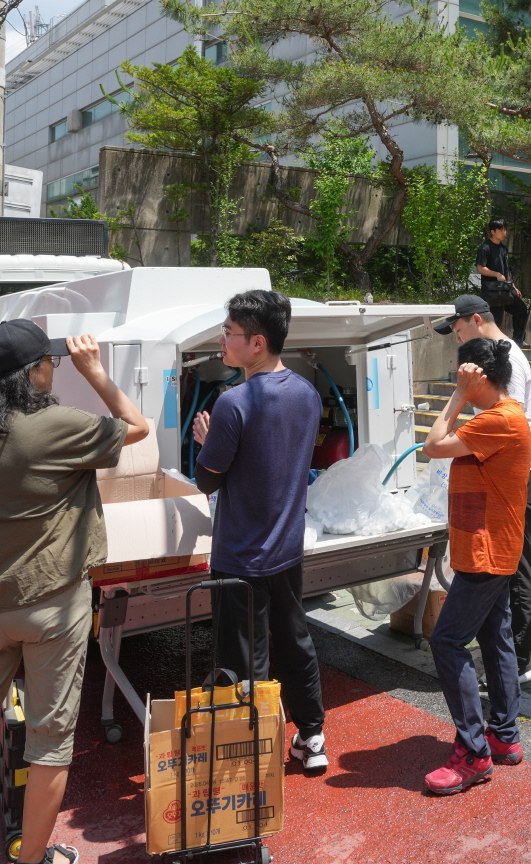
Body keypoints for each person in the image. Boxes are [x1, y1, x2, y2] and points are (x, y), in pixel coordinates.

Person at [0, 323, 150, 864]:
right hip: (52, 606)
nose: (54, 370)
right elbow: (137, 428)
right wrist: (95, 372)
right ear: (34, 372)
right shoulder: (54, 425)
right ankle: (32, 860)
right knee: (50, 741)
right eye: (51, 363)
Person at [192, 289, 330, 774]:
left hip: (239, 555)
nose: (222, 341)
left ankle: (249, 755)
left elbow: (207, 478)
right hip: (287, 548)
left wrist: (207, 442)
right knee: (295, 642)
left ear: (256, 343)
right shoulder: (307, 393)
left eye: (229, 334)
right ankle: (312, 737)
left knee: (244, 657)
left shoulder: (234, 403)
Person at [420, 337, 531, 795]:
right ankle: (503, 736)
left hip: (488, 553)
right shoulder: (494, 418)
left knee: (447, 641)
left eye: (462, 371)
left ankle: (473, 751)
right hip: (486, 547)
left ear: (479, 376)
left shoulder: (500, 419)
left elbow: (432, 445)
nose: (456, 375)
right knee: (495, 636)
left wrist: (457, 396)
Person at [435, 294, 531, 682]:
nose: (456, 337)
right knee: (506, 571)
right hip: (503, 467)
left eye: (457, 327)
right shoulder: (500, 355)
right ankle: (505, 660)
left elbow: (504, 429)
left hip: (518, 472)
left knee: (512, 564)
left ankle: (519, 659)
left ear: (475, 320)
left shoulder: (506, 362)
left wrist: (459, 399)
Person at [475, 219, 530, 344]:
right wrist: (496, 274)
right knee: (496, 318)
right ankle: (493, 344)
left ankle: (518, 340)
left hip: (505, 289)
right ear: (492, 231)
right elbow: (480, 268)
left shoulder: (503, 249)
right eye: (501, 230)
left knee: (521, 309)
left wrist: (514, 287)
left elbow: (507, 271)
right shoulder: (485, 248)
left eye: (505, 229)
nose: (504, 232)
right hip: (492, 291)